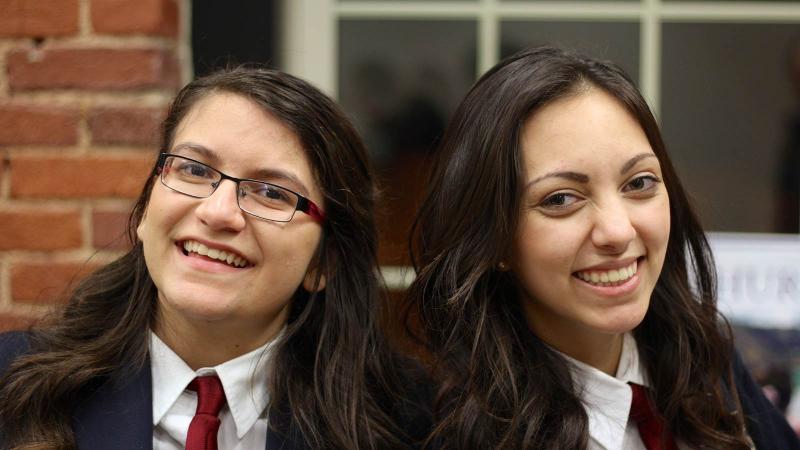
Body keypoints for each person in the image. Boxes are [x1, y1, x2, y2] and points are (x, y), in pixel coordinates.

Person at [0, 67, 429, 449]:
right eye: (195, 170)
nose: (218, 212)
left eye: (272, 193)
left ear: (323, 262)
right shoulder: (13, 390)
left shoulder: (410, 425)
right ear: (147, 207)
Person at [407, 46, 800, 449]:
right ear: (494, 239)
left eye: (639, 182)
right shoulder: (460, 435)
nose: (617, 230)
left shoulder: (711, 368)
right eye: (560, 199)